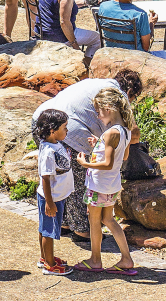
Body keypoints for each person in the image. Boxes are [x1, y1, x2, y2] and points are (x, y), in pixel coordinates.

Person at [32, 70, 142, 238]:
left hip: (41, 121)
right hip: (67, 132)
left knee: (61, 178)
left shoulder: (98, 83)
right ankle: (82, 229)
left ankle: (64, 222)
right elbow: (133, 132)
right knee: (78, 180)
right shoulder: (117, 96)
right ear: (130, 93)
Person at [75, 87, 137, 275]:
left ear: (108, 108)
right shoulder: (125, 130)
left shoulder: (111, 133)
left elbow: (108, 163)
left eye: (98, 110)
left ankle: (95, 260)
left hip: (99, 184)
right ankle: (126, 258)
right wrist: (99, 144)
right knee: (108, 219)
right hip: (112, 185)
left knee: (95, 221)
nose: (97, 115)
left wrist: (85, 164)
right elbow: (123, 155)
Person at [35, 107, 75, 275]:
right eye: (64, 127)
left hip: (57, 195)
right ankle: (50, 265)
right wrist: (50, 203)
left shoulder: (55, 144)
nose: (67, 130)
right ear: (52, 131)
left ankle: (45, 257)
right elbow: (45, 178)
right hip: (52, 198)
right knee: (48, 231)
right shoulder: (48, 152)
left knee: (46, 228)